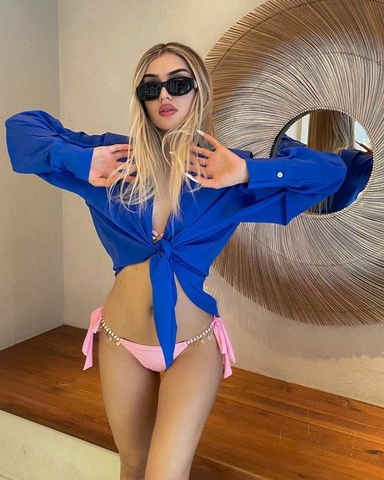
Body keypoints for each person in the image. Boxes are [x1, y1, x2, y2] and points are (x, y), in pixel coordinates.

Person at [5, 42, 347, 480]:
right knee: (132, 465)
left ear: (198, 91)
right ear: (141, 99)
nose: (164, 95)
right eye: (151, 88)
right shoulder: (112, 160)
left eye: (178, 84)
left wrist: (248, 172)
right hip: (120, 343)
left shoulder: (225, 171)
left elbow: (333, 173)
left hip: (192, 348)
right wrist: (80, 159)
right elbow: (21, 128)